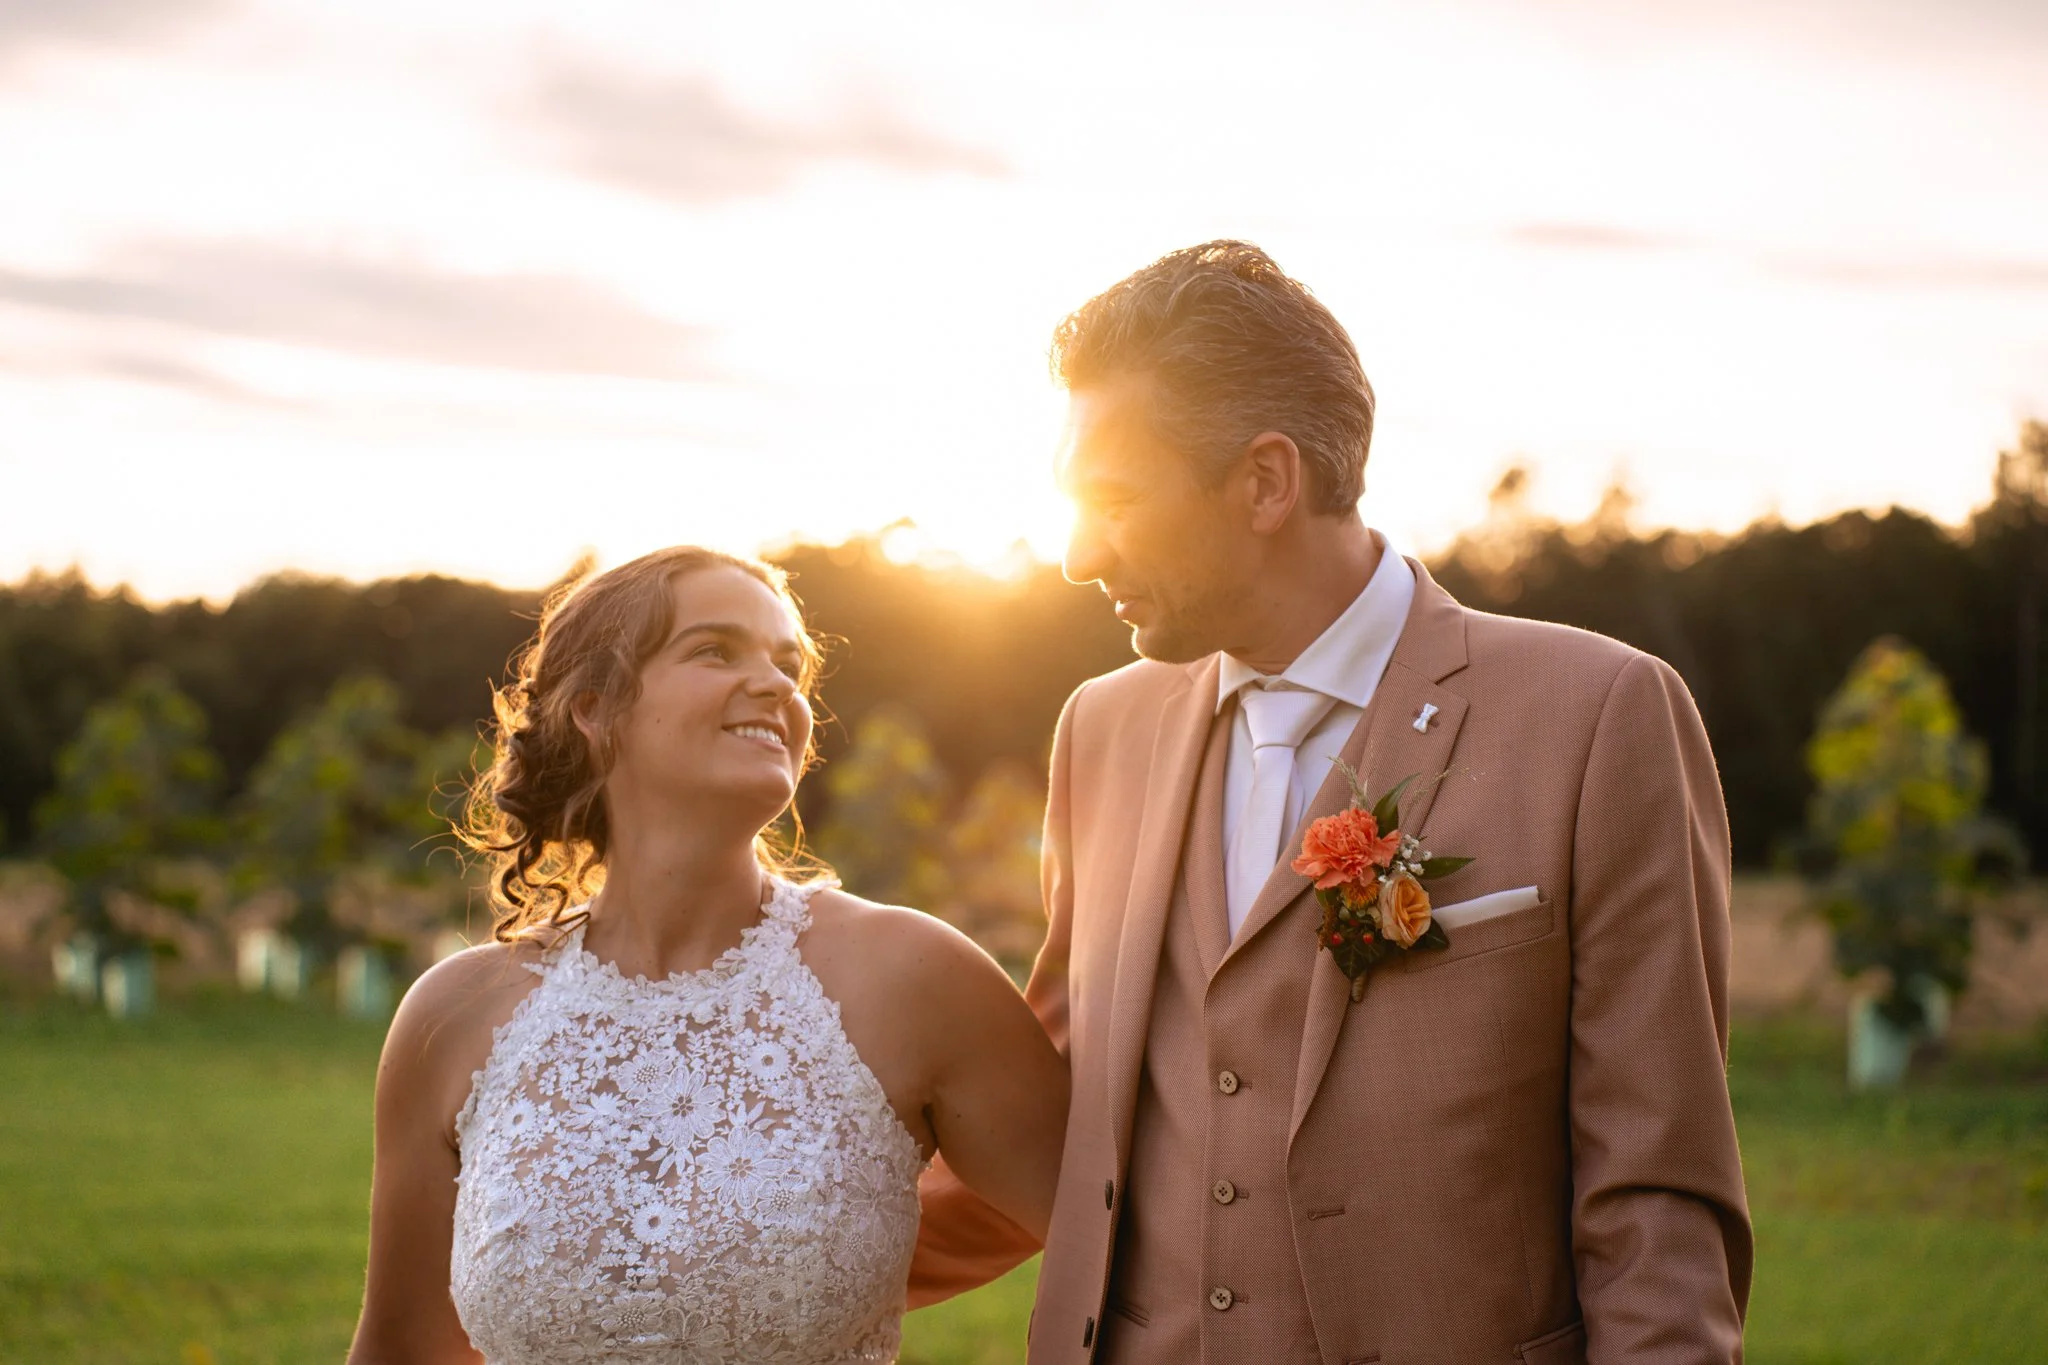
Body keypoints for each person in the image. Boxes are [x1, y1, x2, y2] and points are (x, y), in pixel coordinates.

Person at [911, 242, 1751, 1364]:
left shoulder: (1597, 716)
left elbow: (1656, 1183)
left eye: (1110, 499)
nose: (1072, 554)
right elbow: (1061, 1117)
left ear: (1264, 481)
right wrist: (725, 1273)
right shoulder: (1099, 731)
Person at [347, 546, 1067, 1364]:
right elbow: (401, 1347)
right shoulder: (453, 1016)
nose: (776, 685)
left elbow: (1146, 1266)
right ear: (593, 706)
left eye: (789, 665)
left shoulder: (914, 976)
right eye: (715, 650)